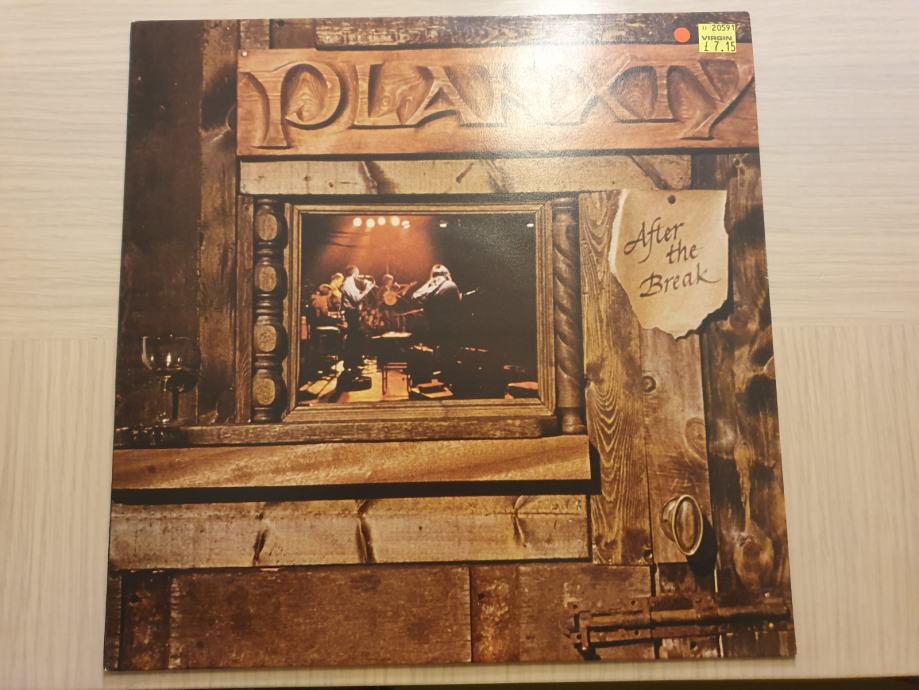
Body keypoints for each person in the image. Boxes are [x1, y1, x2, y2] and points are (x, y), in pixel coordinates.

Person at [412, 264, 463, 375]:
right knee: (449, 348)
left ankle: (437, 368)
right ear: (446, 273)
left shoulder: (431, 284)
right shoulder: (451, 285)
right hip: (449, 324)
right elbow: (457, 305)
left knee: (439, 345)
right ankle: (448, 372)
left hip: (432, 324)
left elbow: (415, 297)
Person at [339, 265, 375, 389]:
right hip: (351, 314)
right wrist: (368, 288)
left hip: (353, 313)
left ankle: (353, 365)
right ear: (354, 273)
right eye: (358, 274)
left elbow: (356, 296)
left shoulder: (350, 283)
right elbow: (356, 299)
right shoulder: (348, 282)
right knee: (353, 340)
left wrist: (365, 288)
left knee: (355, 339)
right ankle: (351, 366)